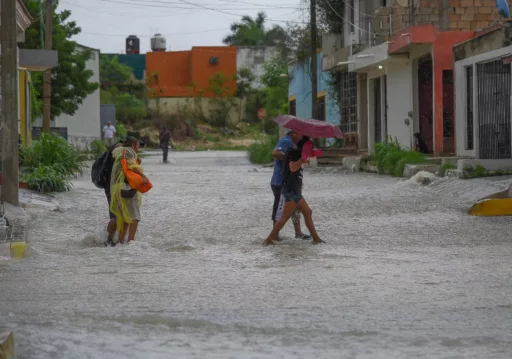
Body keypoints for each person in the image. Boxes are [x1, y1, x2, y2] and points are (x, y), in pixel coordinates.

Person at [264, 135, 324, 246]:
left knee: (308, 212)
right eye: (309, 147)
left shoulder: (298, 152)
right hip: (290, 191)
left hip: (296, 190)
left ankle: (316, 239)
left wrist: (312, 155)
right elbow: (292, 167)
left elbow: (308, 158)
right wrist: (301, 160)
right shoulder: (293, 152)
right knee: (284, 218)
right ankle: (269, 239)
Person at [271, 129, 311, 240]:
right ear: (293, 133)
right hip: (281, 182)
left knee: (295, 206)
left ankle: (298, 232)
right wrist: (288, 157)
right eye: (300, 133)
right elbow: (274, 153)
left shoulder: (295, 145)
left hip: (292, 182)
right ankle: (274, 235)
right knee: (280, 209)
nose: (302, 135)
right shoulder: (286, 141)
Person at [109, 135, 147, 244]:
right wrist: (143, 177)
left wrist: (136, 161)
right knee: (135, 217)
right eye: (138, 146)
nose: (138, 149)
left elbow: (125, 166)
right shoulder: (129, 151)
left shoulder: (119, 152)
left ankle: (120, 243)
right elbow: (131, 168)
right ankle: (131, 243)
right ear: (133, 145)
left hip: (117, 189)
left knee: (124, 218)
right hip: (127, 188)